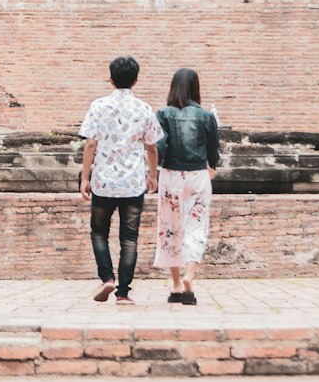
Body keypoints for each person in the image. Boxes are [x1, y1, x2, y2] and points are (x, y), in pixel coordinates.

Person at [80, 55, 163, 305]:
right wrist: (153, 175)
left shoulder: (98, 105)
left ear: (111, 78)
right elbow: (152, 147)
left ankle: (107, 278)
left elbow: (90, 143)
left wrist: (85, 177)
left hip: (103, 182)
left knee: (99, 233)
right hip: (132, 182)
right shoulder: (144, 108)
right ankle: (124, 293)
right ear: (136, 79)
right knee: (129, 238)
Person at [154, 68, 220, 306]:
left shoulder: (162, 114)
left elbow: (159, 147)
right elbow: (214, 151)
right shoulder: (206, 116)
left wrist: (153, 171)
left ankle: (175, 286)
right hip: (198, 175)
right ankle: (189, 275)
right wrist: (210, 169)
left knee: (170, 228)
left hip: (171, 174)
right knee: (196, 226)